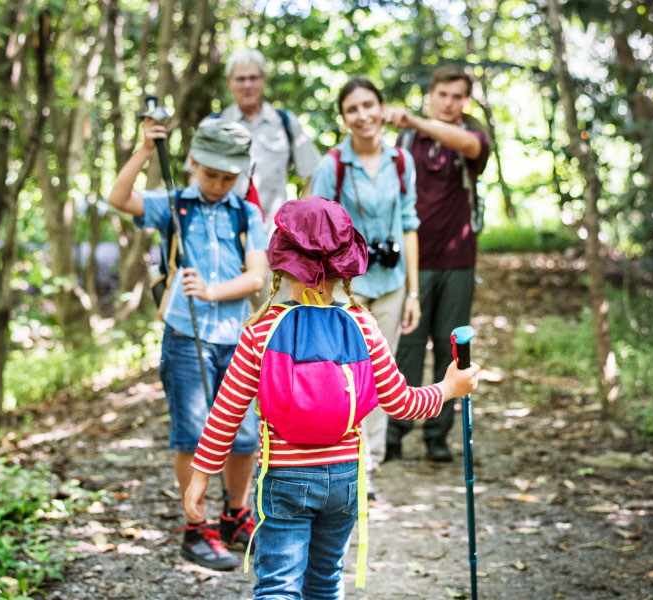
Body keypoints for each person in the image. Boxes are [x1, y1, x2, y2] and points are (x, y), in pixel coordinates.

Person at [182, 197, 481, 599]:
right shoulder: (363, 325)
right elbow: (402, 404)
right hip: (344, 480)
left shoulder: (260, 332)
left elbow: (226, 413)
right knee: (324, 582)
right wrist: (449, 388)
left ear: (281, 261)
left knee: (278, 586)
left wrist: (200, 476)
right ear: (345, 267)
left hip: (284, 478)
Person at [107, 117, 268, 570]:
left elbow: (257, 276)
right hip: (186, 336)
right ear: (193, 163)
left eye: (228, 176)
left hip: (237, 339)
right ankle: (195, 528)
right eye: (211, 174)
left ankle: (235, 514)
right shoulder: (176, 205)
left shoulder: (246, 213)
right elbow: (117, 198)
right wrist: (144, 150)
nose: (219, 184)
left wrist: (212, 291)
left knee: (243, 434)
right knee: (194, 433)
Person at [309, 77, 421, 498]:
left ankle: (368, 465)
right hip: (345, 286)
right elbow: (312, 228)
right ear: (344, 118)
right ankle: (341, 460)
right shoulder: (332, 165)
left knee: (381, 373)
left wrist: (413, 291)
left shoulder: (400, 161)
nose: (363, 116)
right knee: (345, 373)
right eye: (352, 109)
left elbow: (409, 225)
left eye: (369, 105)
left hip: (392, 282)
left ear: (382, 106)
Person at [383, 66, 492, 462]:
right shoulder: (408, 138)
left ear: (465, 100)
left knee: (452, 345)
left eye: (457, 96)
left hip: (458, 259)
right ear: (431, 94)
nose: (449, 102)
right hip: (413, 260)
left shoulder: (472, 133)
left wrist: (412, 117)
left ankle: (438, 435)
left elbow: (470, 146)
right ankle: (396, 431)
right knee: (407, 344)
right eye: (442, 94)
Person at [195, 48, 322, 234]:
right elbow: (195, 178)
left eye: (253, 78)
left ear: (263, 79)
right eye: (240, 79)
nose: (247, 85)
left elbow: (316, 174)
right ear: (230, 82)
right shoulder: (213, 124)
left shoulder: (284, 122)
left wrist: (297, 218)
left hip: (273, 236)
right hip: (222, 234)